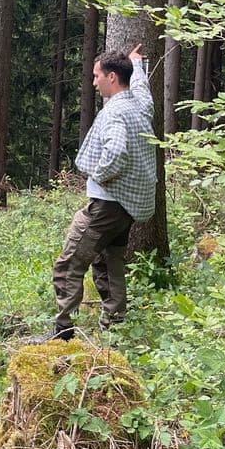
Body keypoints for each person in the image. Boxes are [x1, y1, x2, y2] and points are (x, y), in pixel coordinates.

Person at [49, 44, 156, 340]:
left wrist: (98, 173)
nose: (93, 82)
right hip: (129, 206)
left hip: (107, 204)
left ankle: (62, 332)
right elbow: (142, 90)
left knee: (69, 264)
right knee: (110, 263)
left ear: (111, 77)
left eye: (96, 76)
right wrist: (137, 66)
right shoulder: (138, 105)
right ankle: (115, 328)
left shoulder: (115, 113)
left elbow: (115, 151)